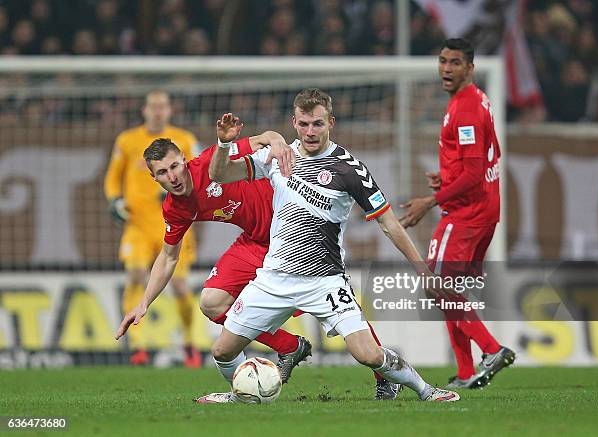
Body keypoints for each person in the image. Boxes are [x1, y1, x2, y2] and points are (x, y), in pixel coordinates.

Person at [196, 88, 460, 403]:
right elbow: (220, 174)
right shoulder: (277, 156)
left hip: (325, 281)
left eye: (318, 124)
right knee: (222, 350)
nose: (310, 131)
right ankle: (242, 396)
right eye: (305, 123)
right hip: (273, 278)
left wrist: (423, 269)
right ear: (294, 122)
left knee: (369, 355)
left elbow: (388, 223)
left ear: (331, 122)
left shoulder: (349, 169)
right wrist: (225, 144)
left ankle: (426, 390)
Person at [114, 132, 402, 400]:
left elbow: (266, 138)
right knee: (211, 302)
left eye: (175, 166)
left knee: (340, 306)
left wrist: (277, 143)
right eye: (162, 172)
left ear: (185, 160)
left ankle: (385, 376)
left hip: (292, 237)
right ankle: (288, 347)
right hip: (253, 243)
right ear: (153, 178)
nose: (173, 176)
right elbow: (168, 257)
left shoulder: (212, 162)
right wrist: (144, 302)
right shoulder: (175, 208)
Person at [399, 38, 515, 389]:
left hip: (466, 213)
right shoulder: (474, 99)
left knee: (437, 286)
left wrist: (428, 202)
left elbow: (474, 171)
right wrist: (446, 178)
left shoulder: (465, 108)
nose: (446, 69)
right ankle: (466, 371)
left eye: (455, 63)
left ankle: (492, 349)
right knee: (451, 289)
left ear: (470, 68)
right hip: (484, 209)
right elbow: (482, 158)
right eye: (443, 61)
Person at [104, 90, 199, 367]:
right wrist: (114, 200)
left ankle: (189, 342)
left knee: (180, 286)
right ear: (144, 110)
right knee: (135, 274)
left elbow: (199, 172)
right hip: (137, 224)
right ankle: (138, 345)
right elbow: (112, 178)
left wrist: (178, 194)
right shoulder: (127, 140)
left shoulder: (184, 140)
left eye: (163, 106)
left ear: (169, 110)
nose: (157, 111)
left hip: (174, 223)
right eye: (153, 106)